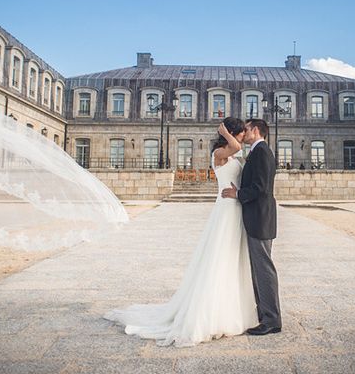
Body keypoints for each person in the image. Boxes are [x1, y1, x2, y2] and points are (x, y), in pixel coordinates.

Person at [104, 117, 258, 346]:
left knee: (233, 258)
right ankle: (211, 314)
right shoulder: (219, 152)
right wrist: (225, 133)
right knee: (220, 256)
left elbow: (239, 157)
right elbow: (235, 146)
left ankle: (232, 308)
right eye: (242, 132)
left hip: (236, 206)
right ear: (234, 132)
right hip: (226, 209)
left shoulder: (233, 153)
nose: (246, 135)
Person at [221, 118, 282, 335]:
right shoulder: (258, 152)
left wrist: (237, 193)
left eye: (246, 129)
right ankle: (264, 315)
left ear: (255, 130)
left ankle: (272, 320)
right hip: (257, 217)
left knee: (263, 269)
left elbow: (261, 188)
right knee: (258, 269)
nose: (243, 132)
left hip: (260, 218)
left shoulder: (262, 152)